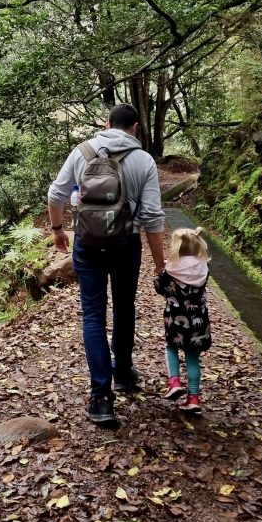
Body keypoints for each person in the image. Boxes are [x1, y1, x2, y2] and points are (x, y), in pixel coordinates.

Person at [47, 103, 165, 428]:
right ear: (136, 127)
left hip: (88, 242)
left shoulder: (82, 152)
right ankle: (123, 372)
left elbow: (55, 194)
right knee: (125, 306)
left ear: (106, 123)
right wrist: (159, 264)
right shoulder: (144, 160)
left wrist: (59, 231)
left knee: (93, 314)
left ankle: (101, 399)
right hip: (127, 243)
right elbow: (153, 216)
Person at [154, 226, 212, 416]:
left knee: (171, 347)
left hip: (174, 318)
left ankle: (174, 382)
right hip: (199, 319)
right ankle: (193, 398)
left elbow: (160, 287)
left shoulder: (171, 269)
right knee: (193, 356)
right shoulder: (203, 267)